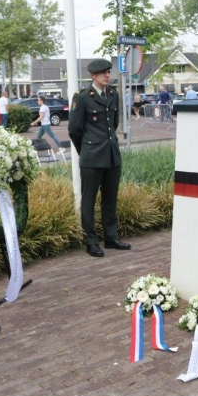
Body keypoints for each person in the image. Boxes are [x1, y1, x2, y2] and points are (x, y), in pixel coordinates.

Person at [68, 59, 131, 257]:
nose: (107, 75)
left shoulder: (114, 94)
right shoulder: (83, 97)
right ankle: (91, 241)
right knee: (88, 201)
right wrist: (86, 151)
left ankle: (111, 238)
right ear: (92, 76)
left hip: (112, 156)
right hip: (91, 158)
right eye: (102, 72)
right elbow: (74, 130)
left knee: (110, 198)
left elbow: (113, 123)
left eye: (108, 72)